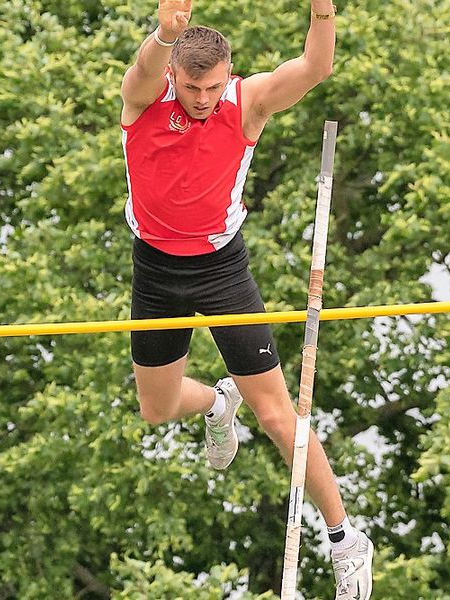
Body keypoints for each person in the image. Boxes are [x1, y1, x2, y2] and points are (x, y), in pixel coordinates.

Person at [119, 1, 373, 597]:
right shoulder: (143, 102)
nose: (202, 97)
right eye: (191, 86)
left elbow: (315, 66)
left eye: (212, 85)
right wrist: (163, 34)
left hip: (221, 270)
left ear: (227, 74)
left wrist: (323, 11)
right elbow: (139, 73)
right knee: (157, 408)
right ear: (174, 77)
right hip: (156, 270)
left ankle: (344, 537)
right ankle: (214, 403)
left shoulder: (246, 101)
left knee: (279, 416)